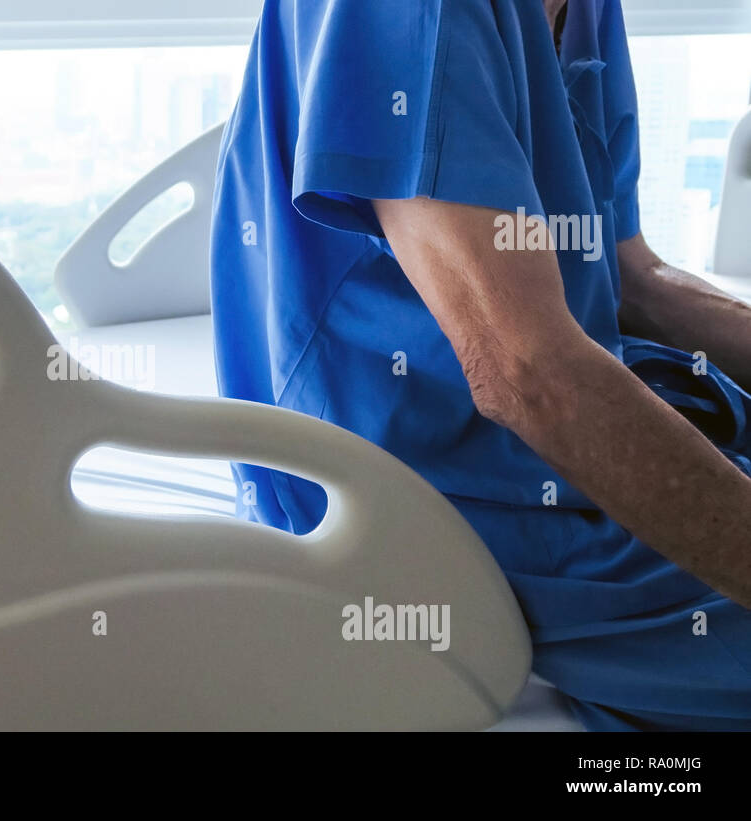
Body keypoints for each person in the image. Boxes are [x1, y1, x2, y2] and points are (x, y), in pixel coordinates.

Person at [211, 0, 751, 730]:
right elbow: (524, 373)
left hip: (564, 409)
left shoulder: (583, 12)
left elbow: (635, 280)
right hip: (415, 480)